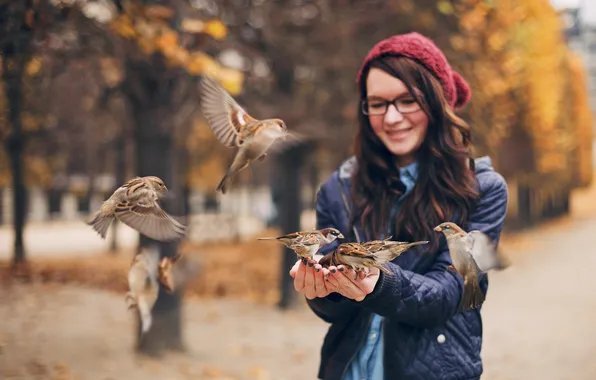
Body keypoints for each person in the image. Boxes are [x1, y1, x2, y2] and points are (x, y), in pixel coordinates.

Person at [289, 32, 508, 380]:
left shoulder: (482, 190)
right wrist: (324, 290)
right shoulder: (338, 189)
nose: (391, 118)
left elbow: (447, 293)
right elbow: (335, 312)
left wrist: (379, 280)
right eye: (377, 103)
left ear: (436, 103)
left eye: (407, 100)